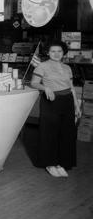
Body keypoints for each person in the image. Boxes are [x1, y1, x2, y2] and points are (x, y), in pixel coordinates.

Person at [30, 40, 81, 177]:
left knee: (66, 133)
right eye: (53, 51)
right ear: (48, 52)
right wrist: (45, 87)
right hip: (51, 101)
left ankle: (61, 162)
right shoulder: (42, 66)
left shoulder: (67, 68)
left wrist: (76, 106)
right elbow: (34, 83)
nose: (56, 54)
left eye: (59, 51)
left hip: (67, 101)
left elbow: (72, 88)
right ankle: (49, 163)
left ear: (63, 52)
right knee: (49, 133)